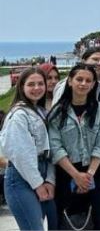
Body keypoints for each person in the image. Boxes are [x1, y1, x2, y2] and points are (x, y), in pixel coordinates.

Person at [48, 63, 100, 230]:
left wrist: (88, 176)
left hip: (95, 172)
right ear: (70, 81)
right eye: (79, 79)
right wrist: (76, 176)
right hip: (66, 174)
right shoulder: (56, 113)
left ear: (93, 84)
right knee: (67, 222)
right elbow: (56, 147)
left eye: (88, 80)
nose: (83, 83)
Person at [0, 67, 57, 231]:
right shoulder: (18, 115)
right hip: (20, 178)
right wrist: (38, 184)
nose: (37, 88)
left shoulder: (41, 112)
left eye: (40, 83)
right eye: (31, 84)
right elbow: (21, 154)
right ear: (21, 87)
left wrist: (50, 180)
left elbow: (50, 150)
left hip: (42, 173)